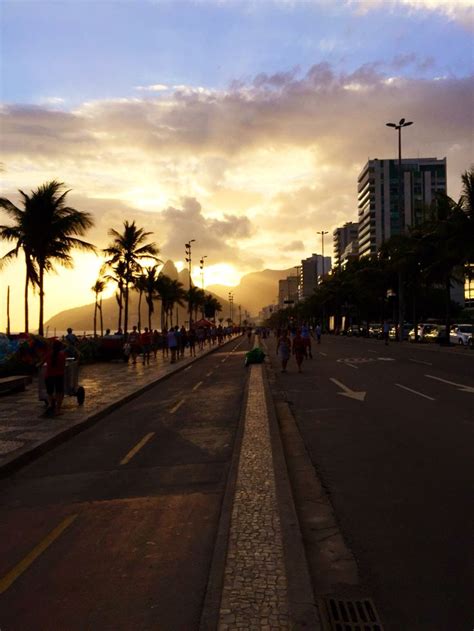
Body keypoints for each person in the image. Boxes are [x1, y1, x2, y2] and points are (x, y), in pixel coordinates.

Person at [44, 339, 66, 416]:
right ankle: (57, 410)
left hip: (48, 376)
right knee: (60, 393)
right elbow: (63, 366)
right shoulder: (62, 355)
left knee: (50, 392)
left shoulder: (48, 354)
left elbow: (44, 362)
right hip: (59, 376)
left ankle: (51, 404)